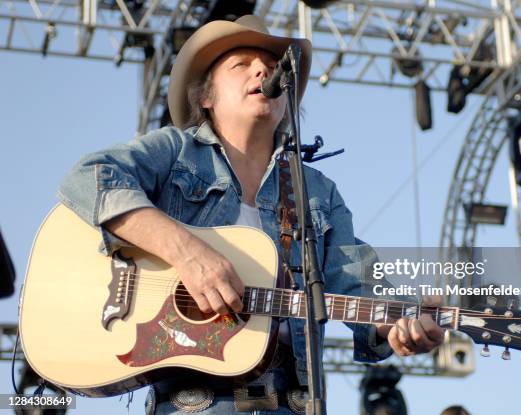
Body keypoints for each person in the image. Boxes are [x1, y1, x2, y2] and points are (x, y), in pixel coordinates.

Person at [58, 15, 445, 414]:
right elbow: (88, 178)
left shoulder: (317, 192)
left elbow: (357, 286)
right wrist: (186, 252)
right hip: (192, 403)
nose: (264, 69)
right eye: (240, 64)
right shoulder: (175, 153)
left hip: (292, 402)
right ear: (206, 97)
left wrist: (399, 322)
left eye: (273, 66)